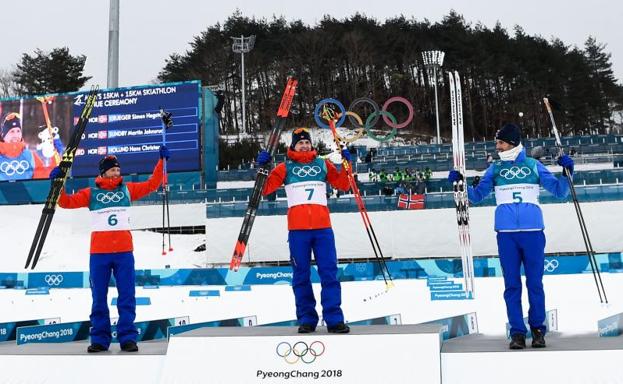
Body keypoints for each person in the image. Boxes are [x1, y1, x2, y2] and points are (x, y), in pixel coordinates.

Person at [448, 123, 573, 350]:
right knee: (511, 285)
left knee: (535, 284)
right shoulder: (495, 169)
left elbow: (560, 192)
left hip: (533, 233)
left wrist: (566, 172)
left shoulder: (534, 166)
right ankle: (517, 332)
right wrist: (460, 183)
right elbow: (476, 196)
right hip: (506, 235)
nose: (497, 147)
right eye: (497, 142)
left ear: (512, 143)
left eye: (501, 142)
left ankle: (537, 331)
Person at [49, 146, 170, 353]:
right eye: (113, 170)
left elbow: (153, 184)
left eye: (118, 170)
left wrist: (161, 161)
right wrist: (56, 182)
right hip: (99, 254)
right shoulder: (91, 193)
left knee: (127, 296)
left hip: (124, 252)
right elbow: (65, 202)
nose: (117, 173)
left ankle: (128, 338)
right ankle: (99, 339)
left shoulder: (128, 189)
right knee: (98, 298)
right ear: (103, 172)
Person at [256, 128, 351, 334]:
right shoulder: (285, 167)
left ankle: (334, 319)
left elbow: (343, 184)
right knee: (301, 276)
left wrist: (347, 164)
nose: (305, 146)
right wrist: (262, 167)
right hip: (298, 231)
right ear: (293, 146)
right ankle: (307, 319)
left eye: (307, 142)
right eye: (300, 143)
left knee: (329, 274)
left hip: (323, 229)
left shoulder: (322, 164)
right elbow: (264, 189)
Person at [0, 113, 55, 181]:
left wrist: (54, 157)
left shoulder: (30, 156)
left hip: (26, 191)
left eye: (18, 131)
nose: (16, 135)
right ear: (3, 135)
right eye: (12, 131)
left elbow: (43, 179)